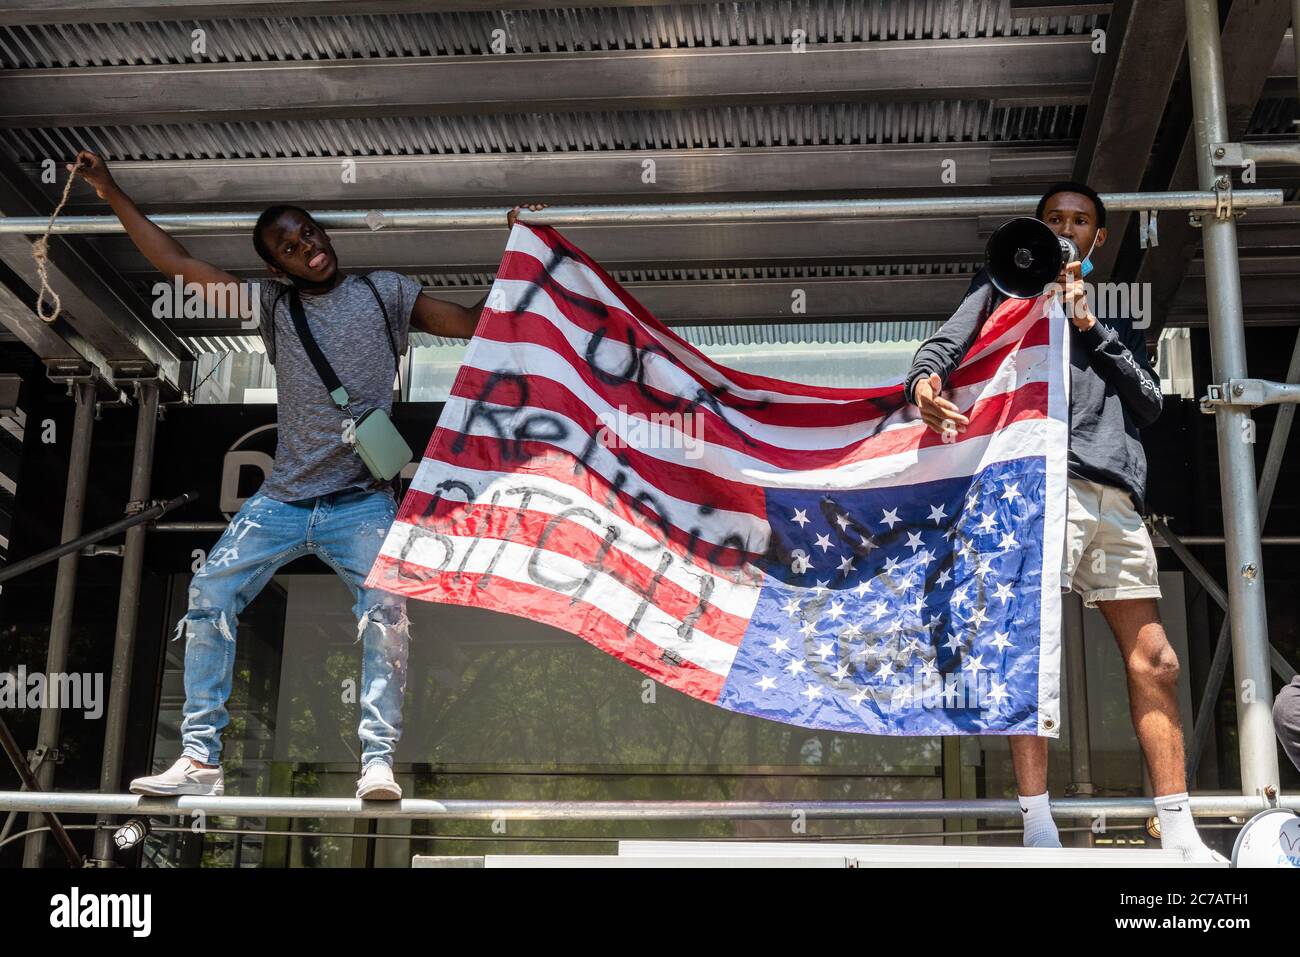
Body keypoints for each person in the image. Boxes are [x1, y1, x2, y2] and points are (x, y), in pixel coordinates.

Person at [69, 149, 543, 800]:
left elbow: (471, 326)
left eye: (310, 233)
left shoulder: (383, 291)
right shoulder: (272, 307)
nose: (308, 248)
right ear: (276, 266)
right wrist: (109, 187)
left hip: (361, 502)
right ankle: (201, 759)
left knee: (386, 615)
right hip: (284, 499)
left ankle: (377, 761)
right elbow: (175, 263)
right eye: (290, 246)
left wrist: (515, 248)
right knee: (209, 596)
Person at [905, 181, 1221, 861]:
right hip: (1031, 488)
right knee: (1031, 655)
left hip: (1111, 496)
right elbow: (942, 347)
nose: (1067, 229)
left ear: (1096, 240)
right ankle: (1037, 823)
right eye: (1055, 219)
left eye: (1081, 221)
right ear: (1037, 229)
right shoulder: (998, 289)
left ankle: (1179, 825)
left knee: (1157, 660)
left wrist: (1086, 321)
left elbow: (1147, 403)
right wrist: (925, 388)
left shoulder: (1112, 316)